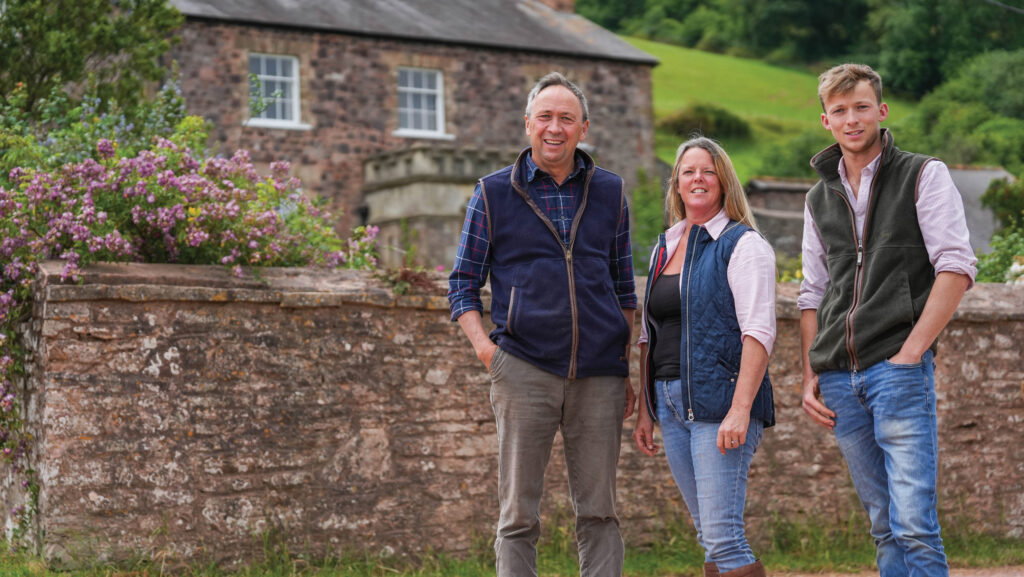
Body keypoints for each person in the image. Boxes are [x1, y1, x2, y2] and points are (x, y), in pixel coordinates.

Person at [447, 71, 637, 577]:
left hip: (599, 374)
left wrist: (623, 364)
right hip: (523, 368)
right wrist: (490, 353)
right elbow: (462, 284)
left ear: (583, 127)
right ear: (528, 123)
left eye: (567, 119)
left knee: (599, 512)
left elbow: (624, 287)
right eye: (546, 117)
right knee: (517, 515)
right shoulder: (492, 193)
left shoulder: (611, 192)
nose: (556, 128)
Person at [799, 63, 977, 577]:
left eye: (860, 107)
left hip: (896, 370)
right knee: (883, 523)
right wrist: (810, 371)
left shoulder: (923, 174)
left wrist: (911, 353)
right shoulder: (817, 197)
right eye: (839, 111)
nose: (851, 119)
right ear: (826, 121)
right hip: (838, 378)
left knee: (915, 524)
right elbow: (813, 291)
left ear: (881, 110)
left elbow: (955, 267)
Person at [633, 136, 776, 577]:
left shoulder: (743, 244)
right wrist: (645, 407)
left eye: (708, 171)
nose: (698, 178)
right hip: (670, 403)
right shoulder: (664, 247)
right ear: (676, 183)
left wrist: (740, 408)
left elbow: (759, 332)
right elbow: (646, 336)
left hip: (720, 405)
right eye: (689, 171)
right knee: (708, 536)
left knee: (722, 536)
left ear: (723, 182)